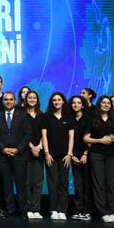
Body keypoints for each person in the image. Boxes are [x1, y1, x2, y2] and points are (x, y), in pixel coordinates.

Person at [84, 96, 114, 222]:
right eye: (103, 102)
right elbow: (86, 138)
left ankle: (112, 211)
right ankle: (103, 212)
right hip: (97, 154)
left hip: (113, 155)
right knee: (99, 184)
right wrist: (100, 140)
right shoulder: (92, 119)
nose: (106, 105)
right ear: (99, 104)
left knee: (111, 184)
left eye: (108, 103)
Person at [0, 92, 32, 219]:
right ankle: (9, 210)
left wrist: (18, 149)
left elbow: (27, 135)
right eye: (6, 99)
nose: (8, 101)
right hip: (3, 156)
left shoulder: (23, 115)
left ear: (15, 101)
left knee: (21, 185)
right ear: (3, 101)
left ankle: (23, 211)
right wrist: (3, 149)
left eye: (11, 99)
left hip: (19, 156)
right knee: (6, 185)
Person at [41, 92, 74, 221]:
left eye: (59, 100)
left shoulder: (69, 117)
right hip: (51, 156)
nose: (56, 102)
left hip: (65, 156)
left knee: (64, 183)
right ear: (51, 102)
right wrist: (47, 153)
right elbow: (44, 136)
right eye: (54, 100)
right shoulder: (46, 117)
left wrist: (69, 154)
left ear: (63, 101)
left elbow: (71, 137)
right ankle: (53, 209)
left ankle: (62, 210)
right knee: (52, 183)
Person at [69, 95, 93, 221]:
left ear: (82, 105)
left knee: (87, 184)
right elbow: (68, 139)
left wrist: (85, 154)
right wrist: (72, 155)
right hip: (74, 156)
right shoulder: (69, 119)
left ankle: (87, 211)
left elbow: (90, 138)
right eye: (74, 102)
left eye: (78, 103)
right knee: (78, 185)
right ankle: (79, 210)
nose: (76, 105)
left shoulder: (88, 119)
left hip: (87, 156)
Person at [24, 91, 44, 219]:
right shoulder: (22, 115)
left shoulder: (42, 115)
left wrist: (39, 146)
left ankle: (36, 209)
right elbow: (22, 133)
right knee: (27, 183)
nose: (32, 99)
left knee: (37, 182)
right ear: (26, 99)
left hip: (39, 152)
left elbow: (45, 133)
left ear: (37, 100)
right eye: (30, 98)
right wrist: (32, 147)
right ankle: (28, 209)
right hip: (26, 152)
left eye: (34, 98)